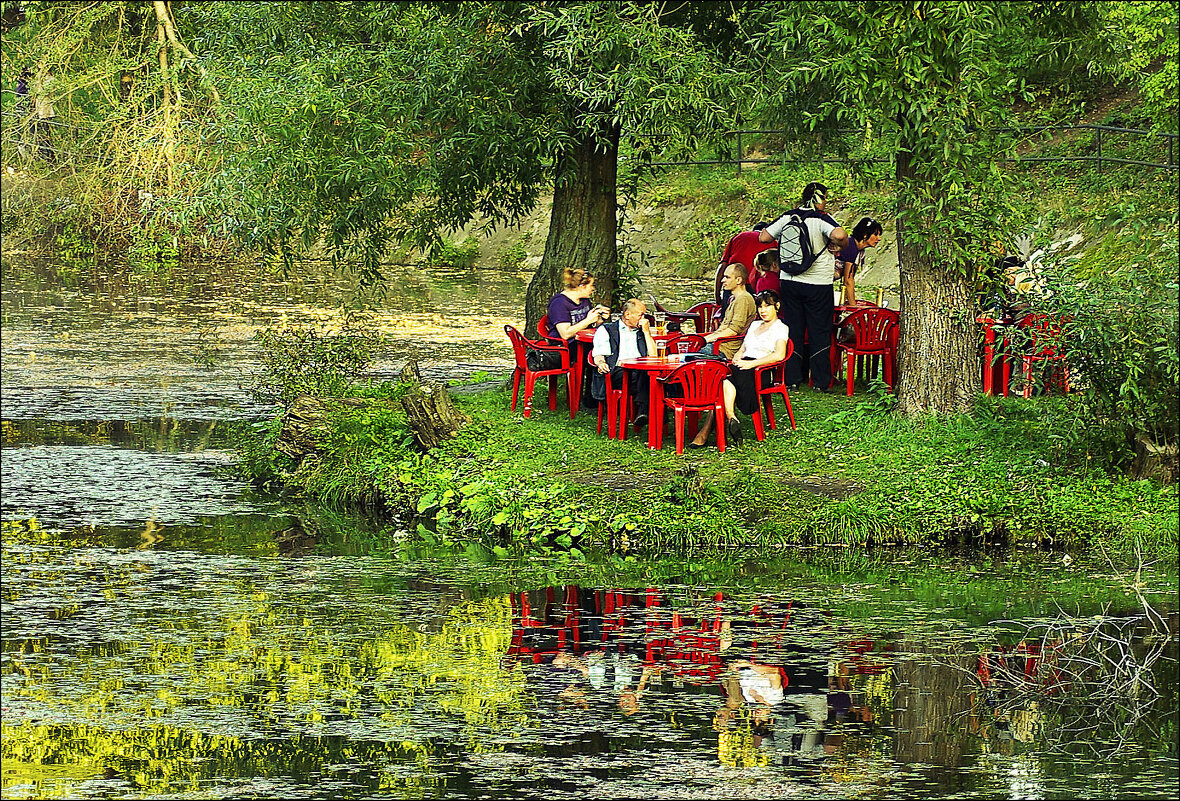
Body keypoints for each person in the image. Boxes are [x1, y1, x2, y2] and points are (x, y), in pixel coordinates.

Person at [760, 182, 848, 391]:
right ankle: (820, 382)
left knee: (793, 330)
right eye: (825, 198)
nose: (826, 202)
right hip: (818, 284)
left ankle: (791, 379)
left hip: (789, 282)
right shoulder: (822, 219)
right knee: (820, 331)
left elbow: (764, 237)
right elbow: (840, 235)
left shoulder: (788, 216)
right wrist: (840, 245)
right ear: (819, 199)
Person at [690, 290, 789, 448]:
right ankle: (731, 417)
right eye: (760, 306)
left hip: (760, 369)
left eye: (767, 306)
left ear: (776, 306)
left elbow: (779, 355)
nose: (763, 310)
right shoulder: (755, 325)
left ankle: (705, 432)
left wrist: (751, 364)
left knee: (727, 377)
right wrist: (738, 355)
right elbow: (744, 347)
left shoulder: (780, 328)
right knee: (721, 375)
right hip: (742, 364)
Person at [591, 298, 658, 429]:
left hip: (640, 371)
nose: (644, 319)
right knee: (651, 378)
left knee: (651, 375)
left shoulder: (641, 332)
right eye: (641, 315)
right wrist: (600, 363)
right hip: (618, 371)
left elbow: (653, 356)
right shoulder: (607, 329)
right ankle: (649, 412)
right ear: (628, 315)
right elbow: (598, 353)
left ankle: (644, 411)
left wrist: (646, 332)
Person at [715, 222, 778, 308]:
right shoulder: (771, 241)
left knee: (728, 316)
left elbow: (722, 266)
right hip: (758, 285)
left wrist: (717, 294)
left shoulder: (737, 237)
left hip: (733, 283)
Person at [701, 263, 756, 360]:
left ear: (738, 280)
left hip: (725, 350)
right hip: (718, 345)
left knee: (686, 353)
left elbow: (733, 331)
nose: (722, 280)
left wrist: (707, 339)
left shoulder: (744, 299)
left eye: (727, 277)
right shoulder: (735, 298)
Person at [836, 217, 883, 306]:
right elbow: (848, 280)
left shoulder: (860, 251)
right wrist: (853, 306)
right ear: (865, 235)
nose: (879, 238)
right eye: (876, 235)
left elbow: (850, 279)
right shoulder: (850, 247)